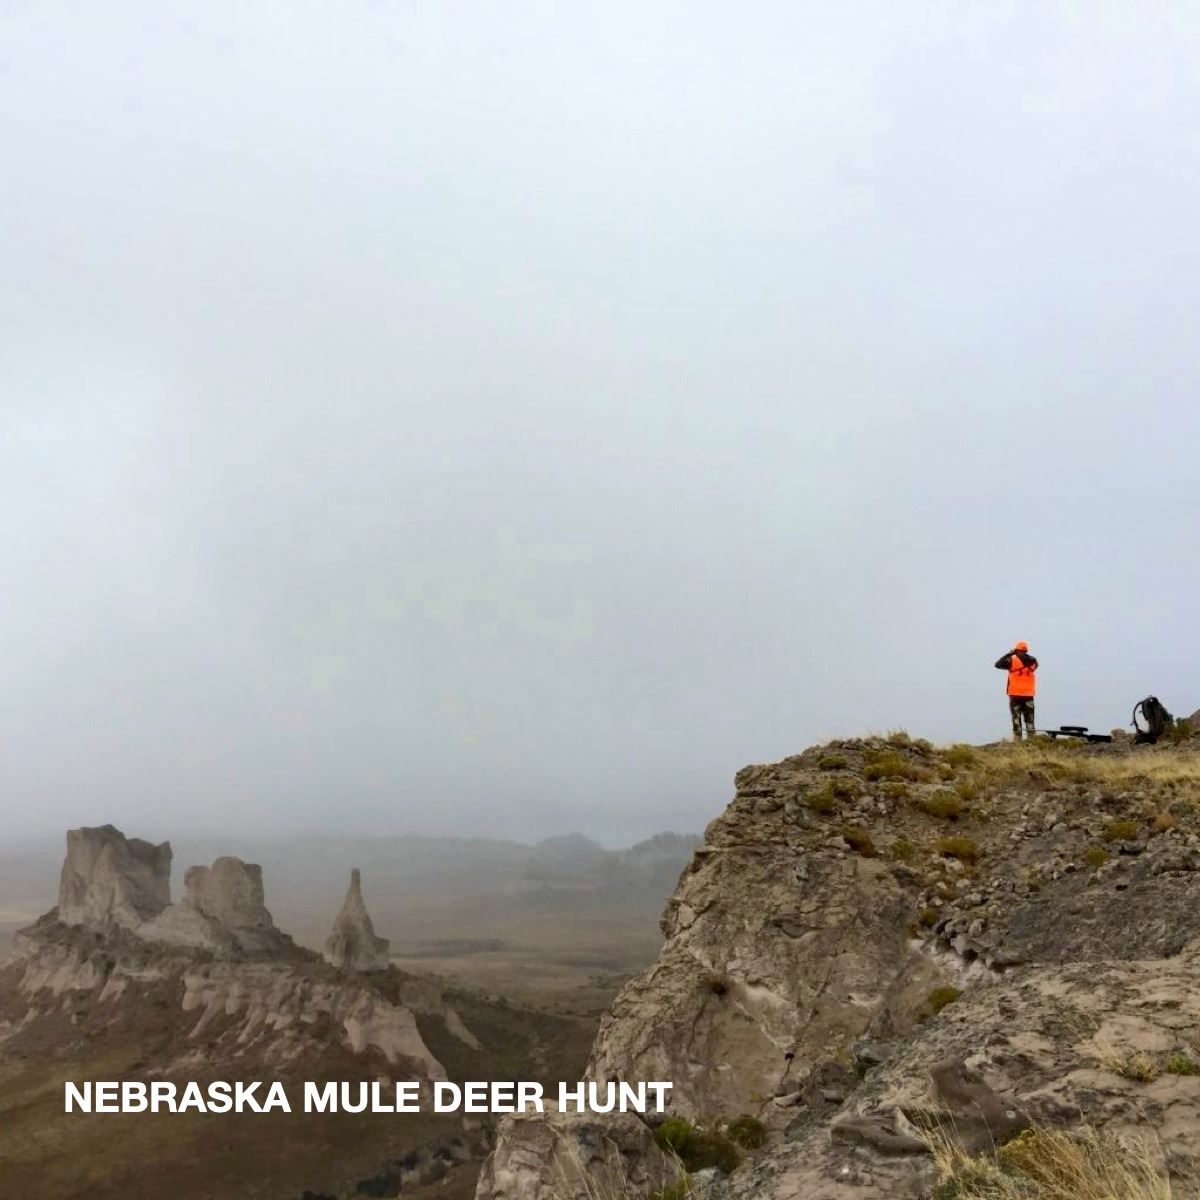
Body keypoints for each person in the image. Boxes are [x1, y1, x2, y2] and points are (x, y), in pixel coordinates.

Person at [995, 641, 1037, 740]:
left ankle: (1018, 741)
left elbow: (997, 664)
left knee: (1016, 719)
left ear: (1016, 650)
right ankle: (1032, 740)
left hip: (1015, 694)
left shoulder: (1012, 660)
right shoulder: (1034, 661)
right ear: (1026, 650)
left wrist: (1009, 654)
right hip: (1028, 694)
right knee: (1030, 719)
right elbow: (1034, 666)